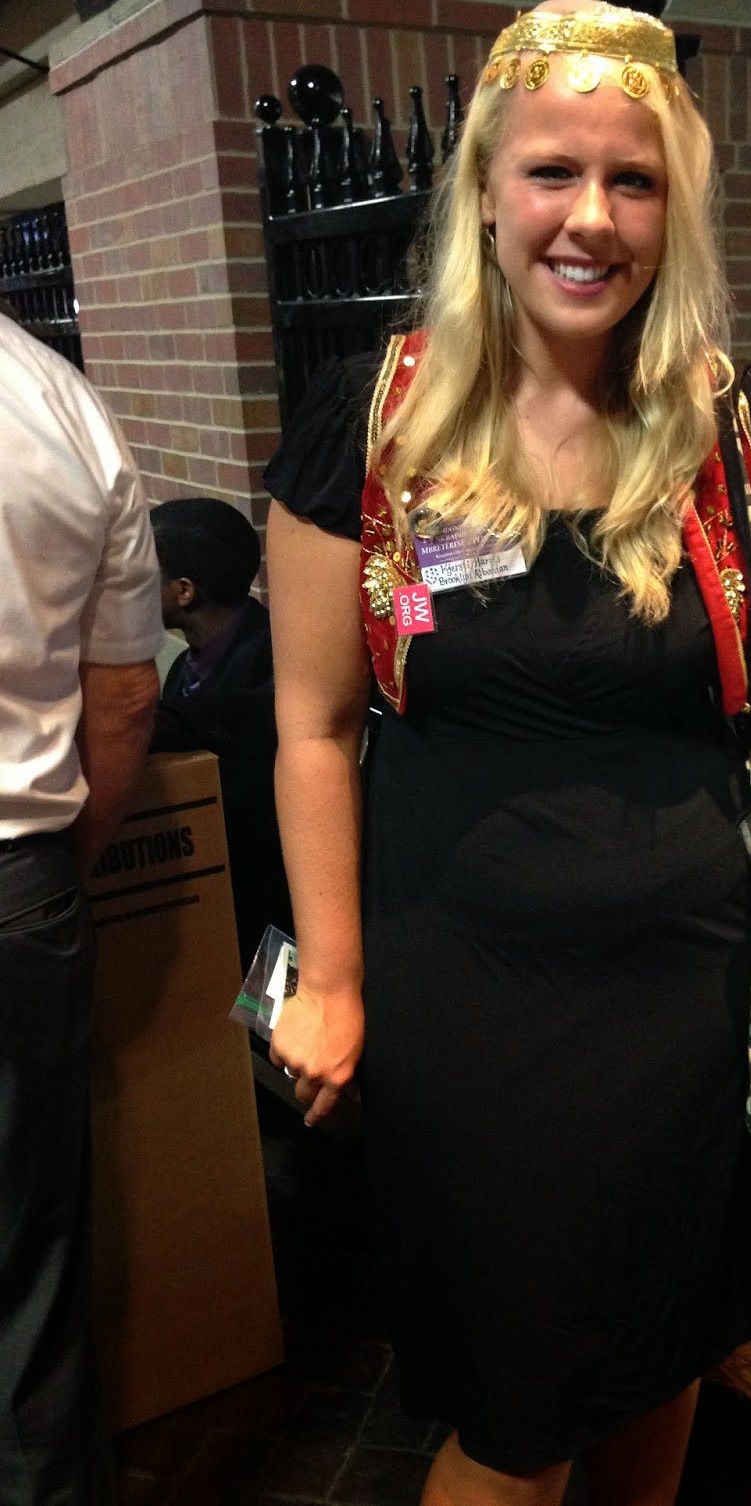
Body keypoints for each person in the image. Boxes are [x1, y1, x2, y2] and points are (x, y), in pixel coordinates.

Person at [264, 0, 751, 1506]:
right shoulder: (374, 424)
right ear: (484, 192)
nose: (591, 218)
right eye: (553, 171)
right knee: (516, 1426)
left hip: (693, 998)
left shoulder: (735, 426)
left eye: (634, 180)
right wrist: (331, 977)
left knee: (665, 1360)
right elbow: (314, 728)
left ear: (674, 212)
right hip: (471, 1006)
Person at [0, 310, 161, 1504]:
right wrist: (62, 865)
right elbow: (124, 699)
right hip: (22, 882)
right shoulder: (62, 405)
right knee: (27, 1271)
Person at [150, 496, 291, 964]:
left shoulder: (274, 658)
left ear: (184, 591)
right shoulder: (184, 668)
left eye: (140, 574)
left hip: (272, 912)